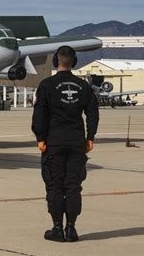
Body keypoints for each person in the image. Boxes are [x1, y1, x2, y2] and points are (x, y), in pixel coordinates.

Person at [32, 46, 99, 242]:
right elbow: (93, 112)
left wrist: (40, 138)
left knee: (54, 185)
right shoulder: (83, 86)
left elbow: (39, 115)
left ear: (55, 61)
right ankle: (71, 229)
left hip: (54, 143)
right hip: (77, 143)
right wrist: (90, 137)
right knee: (73, 186)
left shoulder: (46, 85)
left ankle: (57, 228)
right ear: (74, 62)